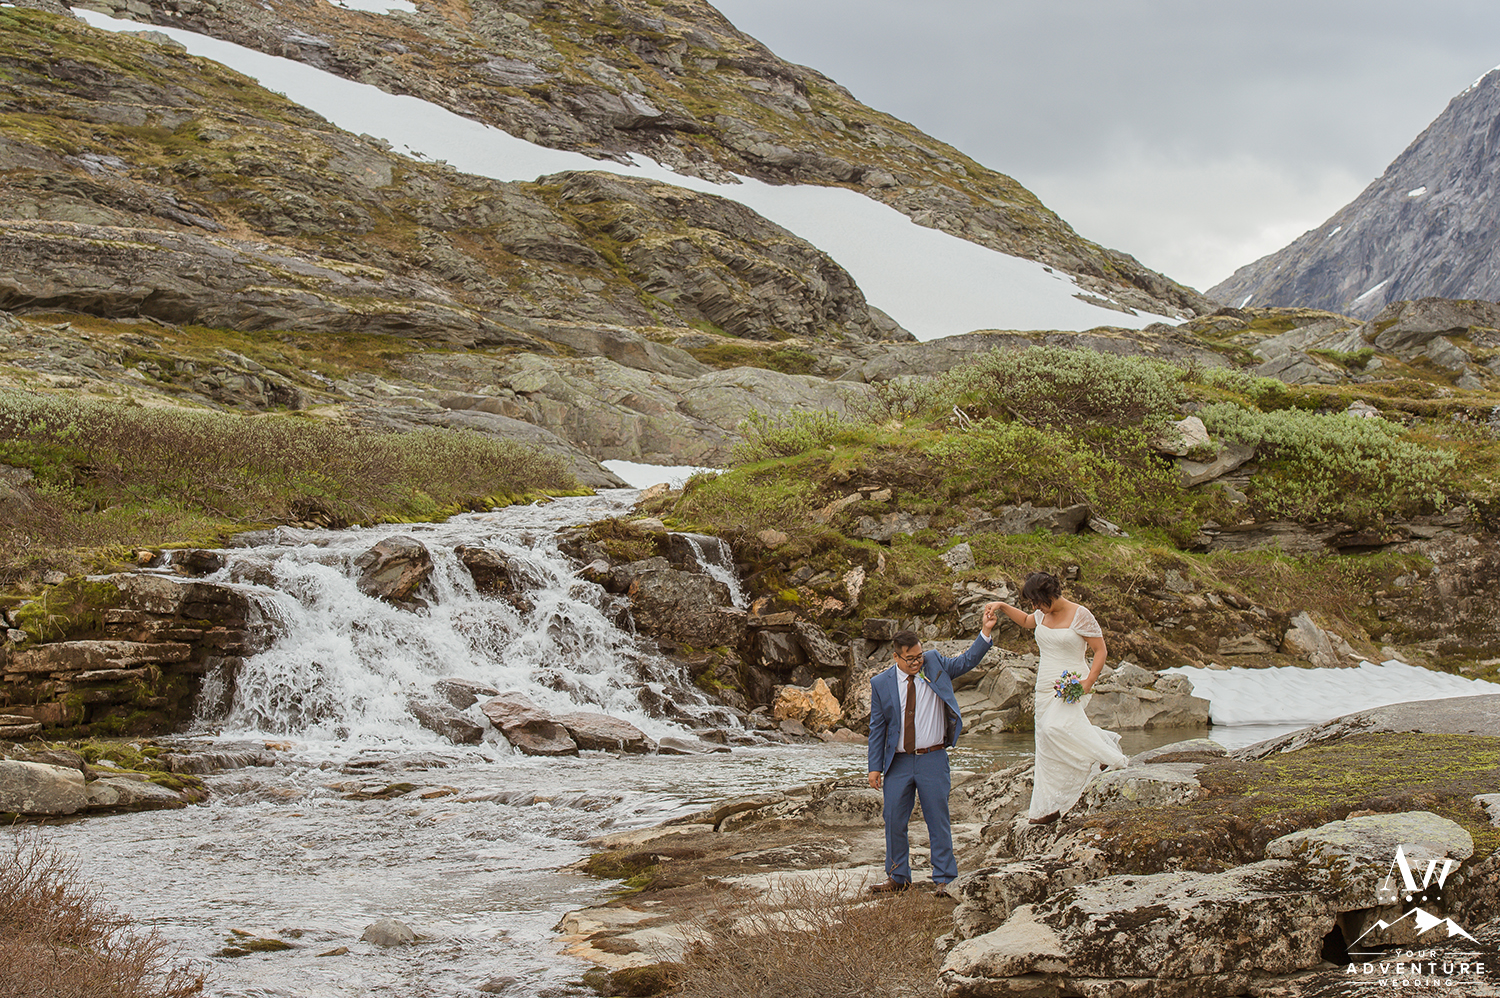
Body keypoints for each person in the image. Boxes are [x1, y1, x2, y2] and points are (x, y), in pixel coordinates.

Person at [866, 605, 998, 897]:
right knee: (893, 820)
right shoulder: (880, 683)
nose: (917, 662)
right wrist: (874, 767)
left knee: (937, 818)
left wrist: (985, 631)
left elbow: (966, 662)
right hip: (898, 763)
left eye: (919, 656)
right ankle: (898, 876)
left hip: (934, 758)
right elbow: (878, 727)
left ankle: (945, 878)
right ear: (896, 657)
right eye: (910, 659)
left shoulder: (935, 662)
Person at [988, 571, 1127, 825]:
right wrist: (1002, 606)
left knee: (1056, 727)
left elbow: (1100, 651)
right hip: (1044, 683)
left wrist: (1088, 682)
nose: (1034, 607)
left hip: (1072, 681)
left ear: (1049, 595)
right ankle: (1049, 807)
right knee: (1046, 743)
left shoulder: (1081, 614)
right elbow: (1028, 621)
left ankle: (1104, 757)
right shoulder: (1041, 613)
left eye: (1036, 601)